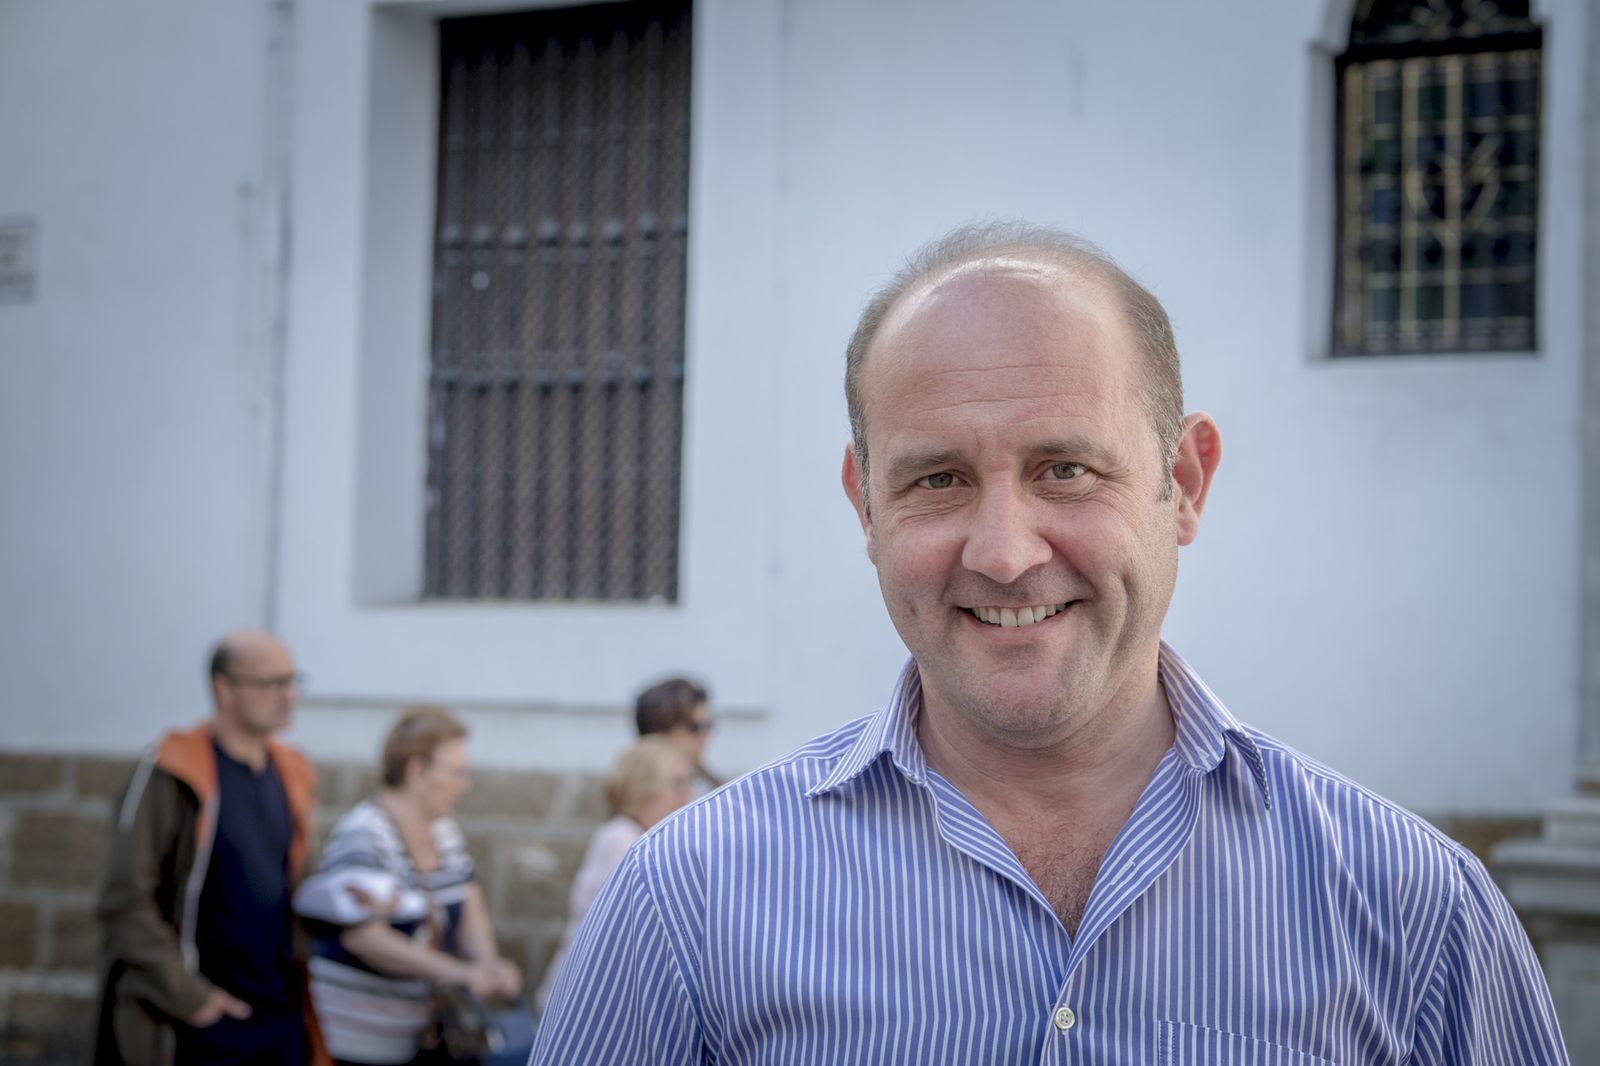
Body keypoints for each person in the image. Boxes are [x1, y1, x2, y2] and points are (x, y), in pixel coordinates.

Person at [531, 221, 1569, 1064]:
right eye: (937, 479)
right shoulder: (686, 906)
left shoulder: (1416, 915)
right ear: (865, 507)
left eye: (1065, 469)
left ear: (1186, 484)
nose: (1004, 551)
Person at [92, 628, 324, 1066]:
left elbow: (295, 884)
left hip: (281, 1014)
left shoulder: (292, 772)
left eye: (294, 681)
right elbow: (124, 900)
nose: (289, 695)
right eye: (271, 683)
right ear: (225, 688)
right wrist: (191, 998)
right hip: (201, 1022)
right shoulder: (172, 772)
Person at [293, 704, 522, 1065]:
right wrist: (460, 973)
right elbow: (363, 937)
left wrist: (492, 967)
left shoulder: (445, 833)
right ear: (417, 770)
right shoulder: (363, 834)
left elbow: (468, 907)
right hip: (362, 1041)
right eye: (457, 773)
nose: (465, 785)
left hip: (424, 1039)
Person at [533, 735, 695, 1013]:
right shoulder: (620, 839)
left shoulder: (645, 837)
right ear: (644, 789)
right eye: (678, 783)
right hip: (586, 1003)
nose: (688, 795)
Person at [634, 676, 720, 796]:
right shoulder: (638, 794)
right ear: (660, 731)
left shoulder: (709, 783)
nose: (705, 735)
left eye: (708, 726)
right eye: (695, 727)